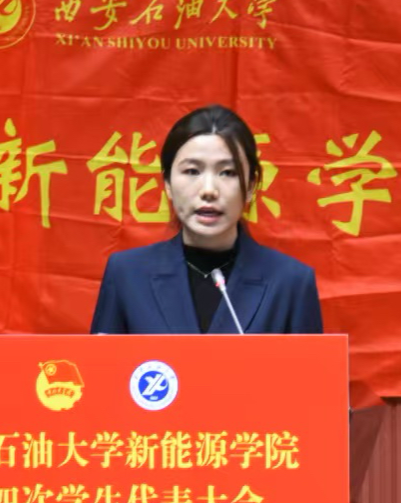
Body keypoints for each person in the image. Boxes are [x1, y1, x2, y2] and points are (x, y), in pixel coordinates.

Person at [91, 103, 323, 335]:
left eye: (228, 172)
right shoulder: (128, 275)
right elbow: (102, 359)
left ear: (251, 186)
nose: (209, 190)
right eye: (192, 171)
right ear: (168, 183)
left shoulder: (290, 282)